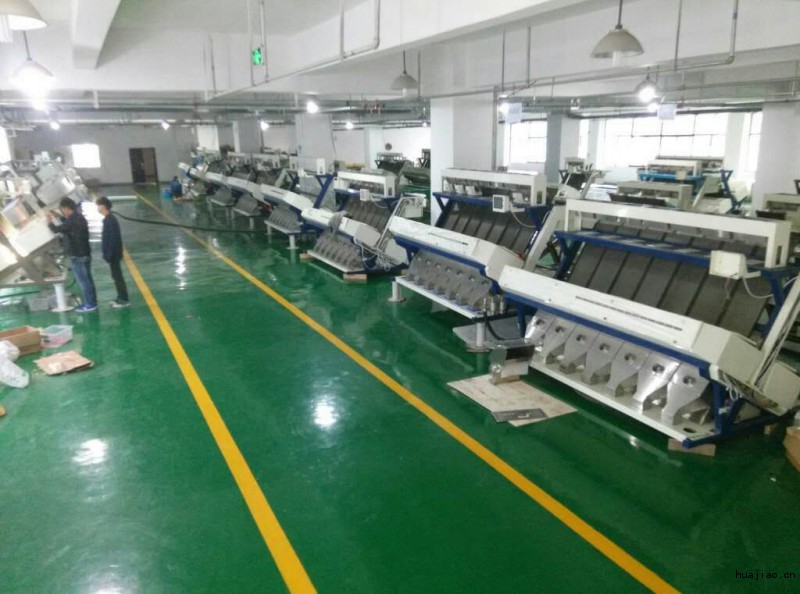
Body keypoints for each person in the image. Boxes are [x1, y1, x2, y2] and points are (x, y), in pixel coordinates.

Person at [47, 197, 97, 313]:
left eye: (62, 209)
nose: (63, 211)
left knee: (84, 281)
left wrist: (49, 222)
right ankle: (92, 301)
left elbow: (56, 229)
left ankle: (90, 304)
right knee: (88, 280)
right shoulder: (78, 217)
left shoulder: (72, 221)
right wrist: (59, 216)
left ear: (66, 208)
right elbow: (68, 224)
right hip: (84, 253)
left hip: (77, 255)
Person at [95, 197, 130, 309]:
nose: (97, 208)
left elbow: (112, 239)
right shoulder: (109, 219)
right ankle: (120, 297)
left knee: (117, 276)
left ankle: (124, 299)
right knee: (116, 276)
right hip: (114, 254)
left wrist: (109, 255)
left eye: (98, 205)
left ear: (103, 206)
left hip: (114, 255)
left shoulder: (110, 220)